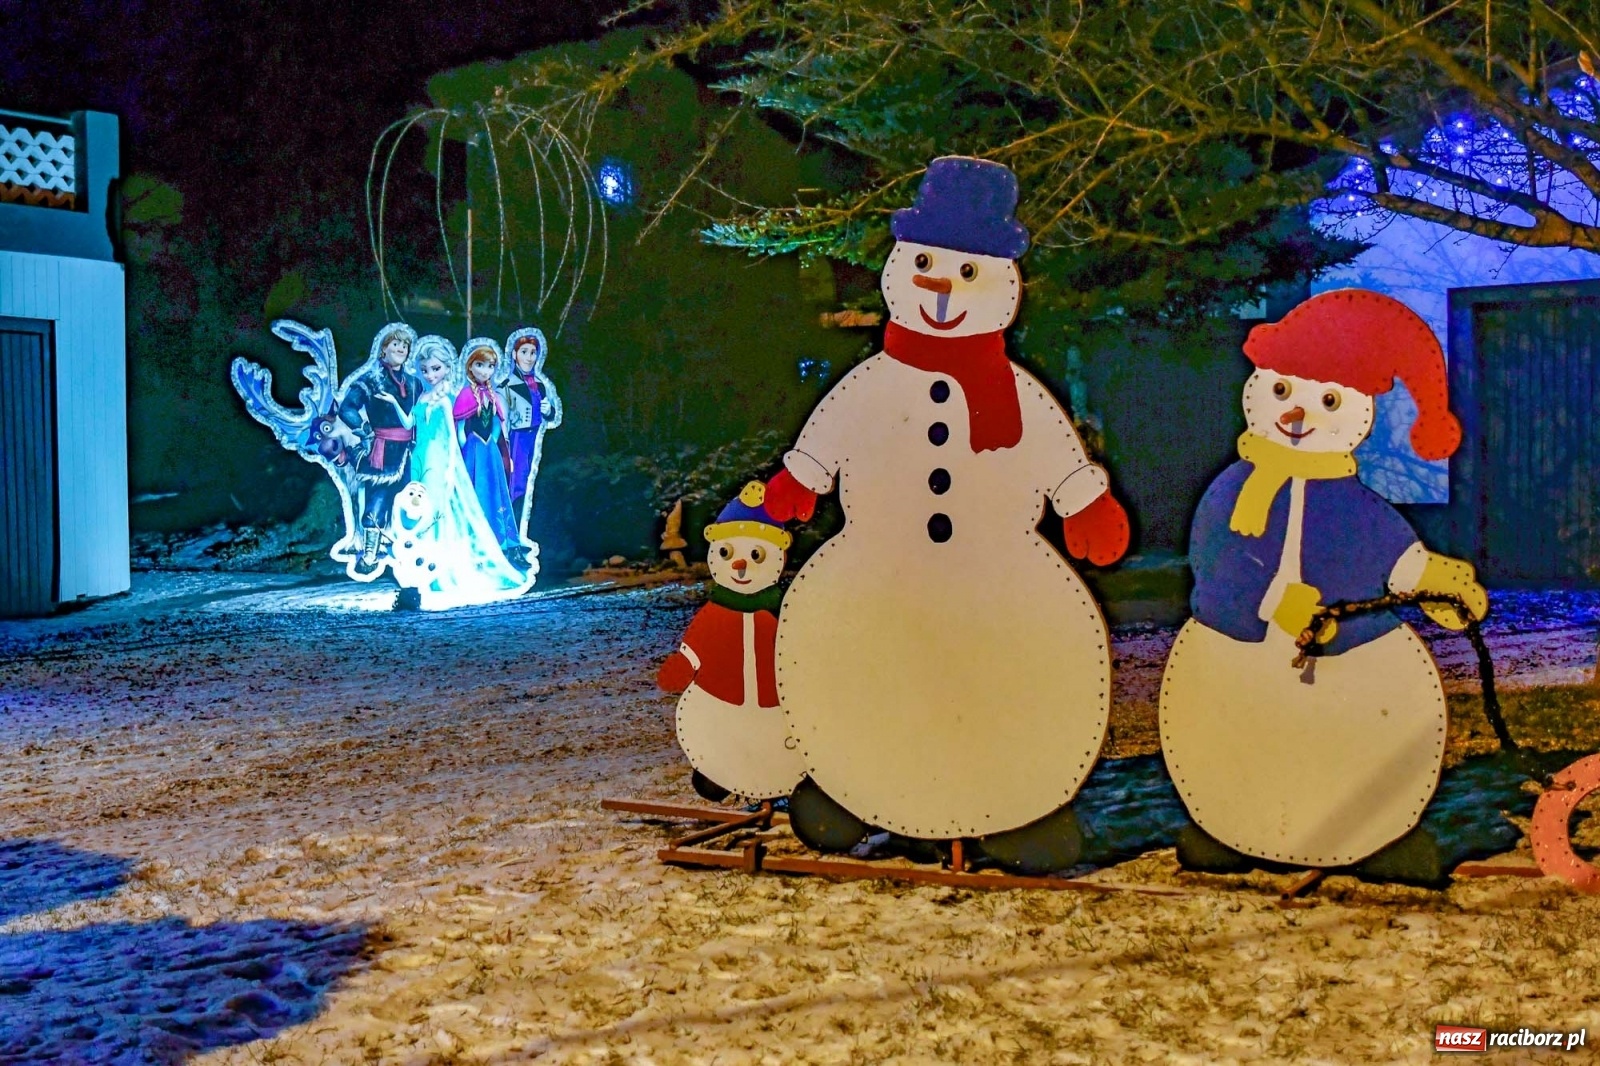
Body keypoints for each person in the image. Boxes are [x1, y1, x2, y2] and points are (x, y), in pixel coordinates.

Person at [374, 335, 533, 609]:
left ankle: (444, 571)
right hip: (420, 457)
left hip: (440, 460)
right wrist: (391, 401)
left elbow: (454, 436)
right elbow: (411, 422)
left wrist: (452, 467)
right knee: (421, 507)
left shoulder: (450, 398)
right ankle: (425, 569)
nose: (430, 374)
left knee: (438, 509)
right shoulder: (422, 396)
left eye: (436, 369)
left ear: (447, 368)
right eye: (425, 370)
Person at [337, 323, 424, 573]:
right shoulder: (371, 380)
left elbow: (422, 412)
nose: (401, 348)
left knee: (413, 500)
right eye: (395, 344)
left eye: (405, 345)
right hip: (383, 450)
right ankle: (369, 556)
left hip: (411, 451)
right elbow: (347, 408)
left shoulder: (415, 382)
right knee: (379, 500)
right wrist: (364, 430)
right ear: (383, 349)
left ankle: (408, 554)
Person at [453, 339, 521, 555]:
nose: (485, 371)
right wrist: (465, 446)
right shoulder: (465, 394)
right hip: (473, 449)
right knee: (476, 489)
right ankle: (475, 542)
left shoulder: (492, 395)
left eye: (490, 366)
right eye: (480, 365)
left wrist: (491, 440)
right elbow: (460, 425)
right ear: (470, 366)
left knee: (494, 490)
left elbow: (496, 421)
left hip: (489, 450)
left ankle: (502, 540)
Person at [499, 327, 562, 536]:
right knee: (514, 486)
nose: (529, 357)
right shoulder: (506, 384)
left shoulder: (540, 385)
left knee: (530, 488)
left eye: (532, 352)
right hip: (516, 440)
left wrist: (549, 411)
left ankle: (522, 533)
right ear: (515, 354)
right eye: (524, 351)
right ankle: (510, 533)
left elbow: (551, 416)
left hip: (535, 441)